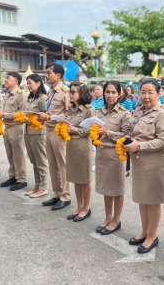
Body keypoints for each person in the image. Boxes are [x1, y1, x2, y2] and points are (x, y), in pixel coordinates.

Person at [123, 79, 164, 254]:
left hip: (154, 163)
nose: (146, 96)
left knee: (152, 201)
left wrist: (140, 146)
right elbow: (132, 132)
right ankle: (144, 231)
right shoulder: (138, 111)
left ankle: (153, 236)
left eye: (150, 92)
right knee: (142, 199)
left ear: (158, 93)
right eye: (143, 92)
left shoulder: (162, 114)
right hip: (139, 162)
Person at [95, 81, 131, 234]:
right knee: (106, 188)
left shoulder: (124, 113)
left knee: (117, 188)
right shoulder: (99, 111)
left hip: (116, 155)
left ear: (119, 94)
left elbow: (127, 135)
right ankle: (108, 217)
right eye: (107, 92)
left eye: (113, 92)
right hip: (102, 153)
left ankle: (116, 220)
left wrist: (108, 133)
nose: (110, 95)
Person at [39, 64, 71, 210]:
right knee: (52, 164)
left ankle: (66, 196)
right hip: (49, 130)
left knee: (62, 165)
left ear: (58, 75)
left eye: (49, 73)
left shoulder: (65, 91)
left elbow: (69, 114)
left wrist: (49, 116)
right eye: (46, 73)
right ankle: (57, 193)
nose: (47, 76)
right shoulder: (51, 91)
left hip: (59, 131)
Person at [65, 82, 95, 222]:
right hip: (71, 145)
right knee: (76, 179)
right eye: (70, 92)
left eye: (73, 92)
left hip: (83, 146)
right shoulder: (70, 109)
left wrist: (74, 130)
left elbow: (90, 131)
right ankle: (79, 206)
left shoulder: (88, 110)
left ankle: (86, 208)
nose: (70, 94)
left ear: (81, 94)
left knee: (84, 179)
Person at [0, 72, 28, 191]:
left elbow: (23, 113)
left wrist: (5, 114)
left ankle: (22, 179)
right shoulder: (8, 94)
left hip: (17, 127)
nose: (5, 80)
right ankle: (13, 176)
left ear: (16, 81)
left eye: (8, 78)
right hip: (7, 127)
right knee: (10, 154)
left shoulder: (21, 95)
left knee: (19, 154)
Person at [23, 74, 49, 198]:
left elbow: (45, 116)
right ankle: (37, 185)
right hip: (28, 132)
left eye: (30, 83)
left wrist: (29, 120)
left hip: (39, 133)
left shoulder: (42, 98)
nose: (28, 86)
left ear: (39, 83)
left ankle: (43, 187)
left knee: (41, 161)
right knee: (33, 160)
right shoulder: (30, 98)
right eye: (27, 83)